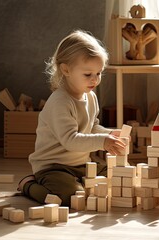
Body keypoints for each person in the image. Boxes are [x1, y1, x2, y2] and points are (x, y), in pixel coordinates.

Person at [17, 30, 126, 206]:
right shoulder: (60, 102)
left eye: (98, 73)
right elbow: (70, 139)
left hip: (81, 164)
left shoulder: (90, 96)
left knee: (118, 175)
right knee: (71, 198)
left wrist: (110, 134)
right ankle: (28, 185)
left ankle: (80, 181)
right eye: (88, 74)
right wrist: (103, 142)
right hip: (53, 167)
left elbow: (92, 127)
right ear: (66, 70)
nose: (95, 80)